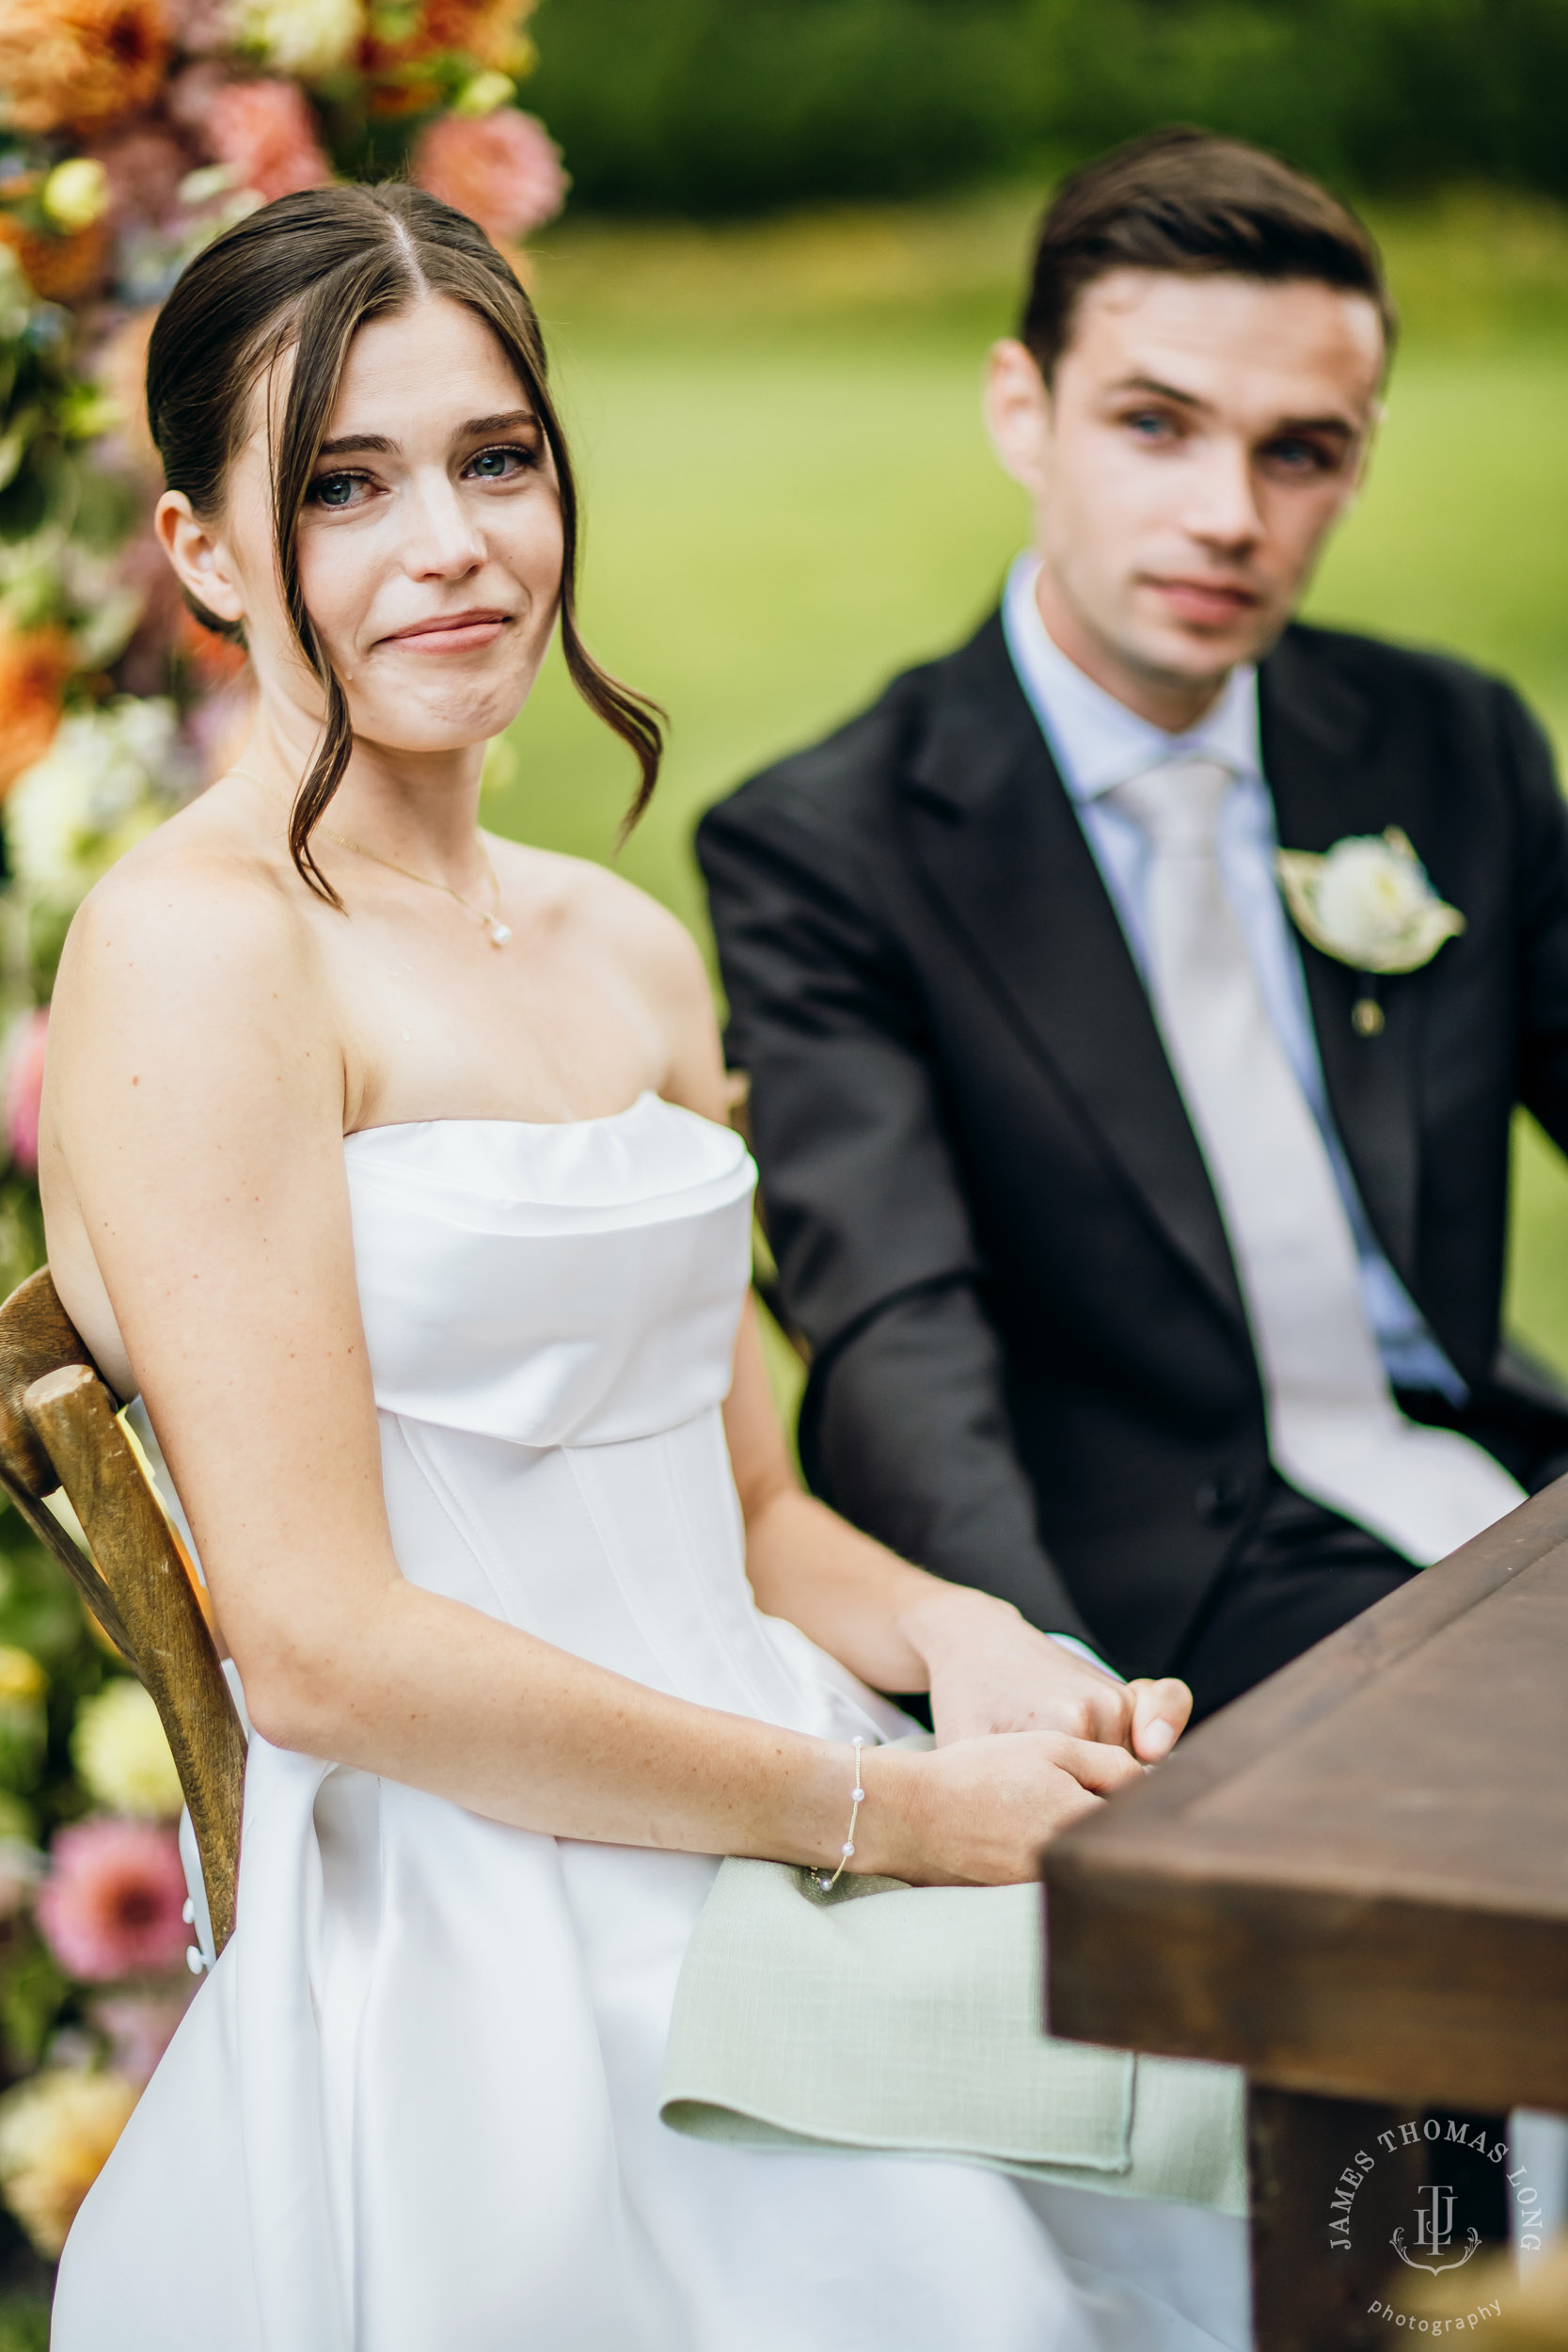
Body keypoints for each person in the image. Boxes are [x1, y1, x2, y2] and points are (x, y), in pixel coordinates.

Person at [41, 184, 1245, 2351]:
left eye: (498, 458)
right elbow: (315, 1643)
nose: (454, 544)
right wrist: (884, 1810)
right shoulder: (199, 950)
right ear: (207, 554)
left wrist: (973, 1646)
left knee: (1346, 2117)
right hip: (483, 1886)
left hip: (777, 1774)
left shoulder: (623, 945)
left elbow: (752, 1512)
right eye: (344, 483)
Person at [697, 127, 1568, 1727]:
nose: (1229, 513)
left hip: (1502, 1481)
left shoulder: (1451, 745)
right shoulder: (828, 847)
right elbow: (897, 1333)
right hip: (1171, 1585)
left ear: (1360, 458)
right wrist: (1040, 1668)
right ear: (1021, 409)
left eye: (1300, 450)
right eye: (1157, 426)